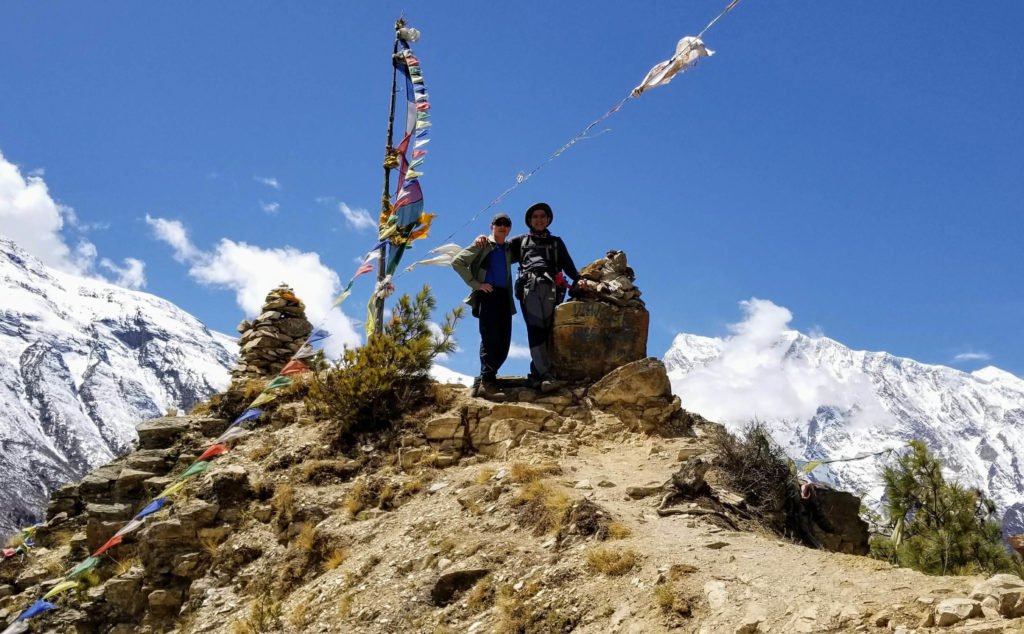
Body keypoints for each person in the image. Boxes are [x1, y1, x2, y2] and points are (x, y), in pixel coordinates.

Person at [509, 202, 579, 392]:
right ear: (530, 221)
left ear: (548, 219)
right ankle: (545, 375)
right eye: (535, 217)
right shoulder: (520, 242)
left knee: (548, 331)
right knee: (536, 330)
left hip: (552, 290)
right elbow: (498, 251)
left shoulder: (556, 242)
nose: (539, 220)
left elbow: (570, 267)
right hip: (529, 288)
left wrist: (581, 281)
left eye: (542, 216)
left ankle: (537, 374)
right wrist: (483, 240)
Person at [452, 212, 516, 399]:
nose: (502, 226)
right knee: (490, 338)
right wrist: (476, 284)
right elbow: (458, 262)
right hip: (488, 294)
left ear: (509, 228)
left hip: (504, 296)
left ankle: (482, 380)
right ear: (492, 227)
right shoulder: (483, 244)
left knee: (504, 341)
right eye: (498, 223)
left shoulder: (508, 248)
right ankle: (487, 383)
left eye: (506, 224)